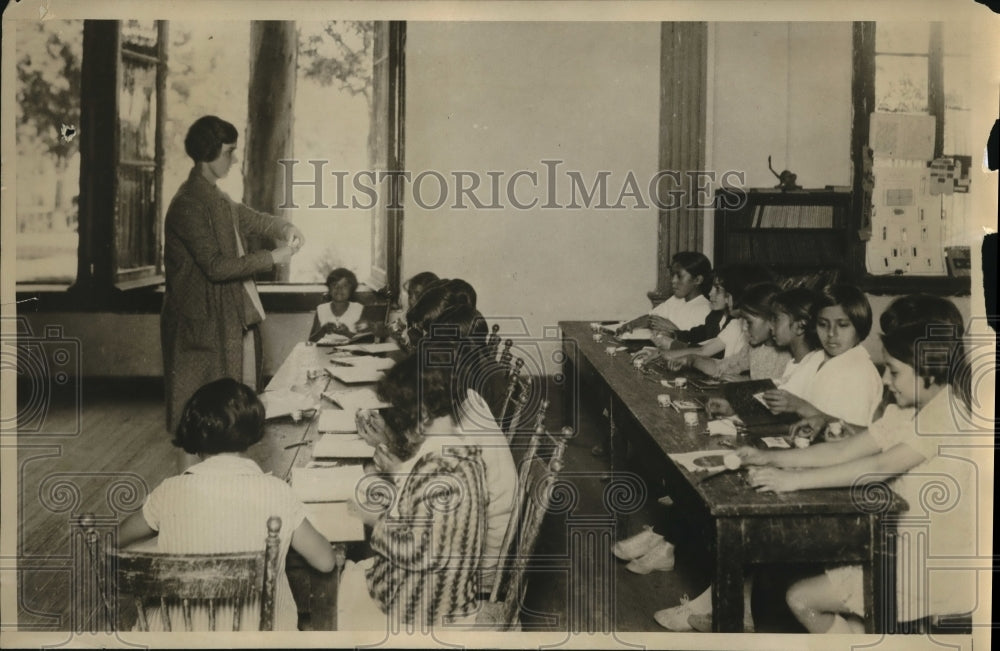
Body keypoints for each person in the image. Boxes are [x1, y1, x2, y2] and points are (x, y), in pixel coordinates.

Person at [738, 297, 975, 633]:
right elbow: (844, 451)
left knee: (801, 597)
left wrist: (790, 482)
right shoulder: (908, 411)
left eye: (894, 371)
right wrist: (770, 457)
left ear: (929, 367)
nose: (888, 381)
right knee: (829, 608)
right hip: (898, 546)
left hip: (933, 565)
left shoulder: (945, 415)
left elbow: (878, 467)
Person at [117, 378, 336, 631]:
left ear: (193, 433)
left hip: (178, 637)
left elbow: (115, 541)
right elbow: (325, 561)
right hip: (257, 637)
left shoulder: (168, 492)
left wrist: (163, 544)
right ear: (253, 432)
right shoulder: (277, 492)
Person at [161, 115, 304, 470]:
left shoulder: (213, 196)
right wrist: (271, 257)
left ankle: (220, 485)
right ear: (208, 154)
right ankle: (191, 491)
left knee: (222, 413)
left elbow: (247, 218)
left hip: (219, 318)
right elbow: (216, 266)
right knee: (192, 416)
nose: (234, 159)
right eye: (229, 152)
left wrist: (284, 226)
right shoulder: (187, 204)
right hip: (197, 326)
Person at [339, 355, 489, 629]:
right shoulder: (456, 453)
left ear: (422, 416)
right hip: (438, 594)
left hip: (422, 610)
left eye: (399, 416)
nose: (396, 425)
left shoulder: (441, 472)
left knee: (337, 591)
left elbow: (422, 553)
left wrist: (374, 520)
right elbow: (426, 521)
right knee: (351, 573)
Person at [760, 284, 882, 434]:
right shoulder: (816, 358)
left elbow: (859, 437)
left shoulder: (860, 371)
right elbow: (784, 396)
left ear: (860, 326)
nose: (831, 333)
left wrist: (801, 407)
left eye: (843, 325)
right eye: (823, 324)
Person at [668, 282, 789, 381]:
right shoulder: (755, 348)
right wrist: (691, 360)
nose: (744, 328)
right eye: (743, 321)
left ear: (771, 321)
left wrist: (746, 382)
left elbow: (778, 390)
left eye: (749, 322)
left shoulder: (787, 355)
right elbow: (722, 367)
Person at [617, 251, 713, 340]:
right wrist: (630, 325)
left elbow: (696, 346)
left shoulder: (705, 309)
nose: (673, 281)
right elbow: (650, 318)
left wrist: (672, 329)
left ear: (698, 280)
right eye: (672, 275)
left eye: (679, 276)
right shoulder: (676, 300)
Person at [308, 267, 368, 342]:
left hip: (351, 352)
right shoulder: (321, 309)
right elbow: (311, 341)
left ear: (352, 289)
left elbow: (366, 341)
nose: (339, 289)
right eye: (334, 285)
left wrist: (347, 333)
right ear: (329, 289)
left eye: (345, 286)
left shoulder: (358, 309)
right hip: (323, 352)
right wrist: (323, 330)